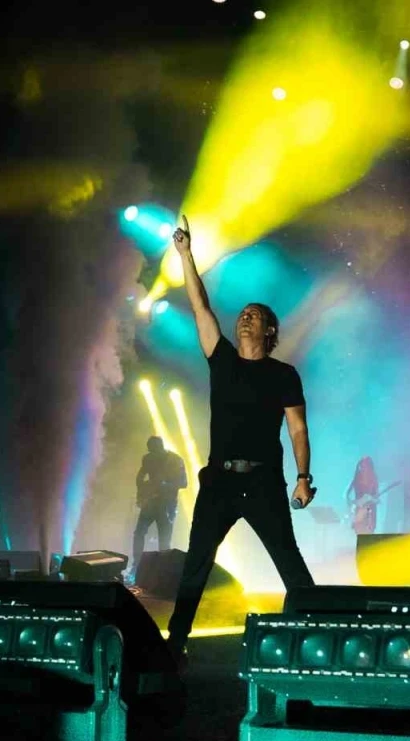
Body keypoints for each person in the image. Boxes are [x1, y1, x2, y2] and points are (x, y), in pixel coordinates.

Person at [165, 216, 316, 669]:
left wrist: (303, 476)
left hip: (264, 481)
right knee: (197, 561)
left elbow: (298, 429)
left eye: (255, 315)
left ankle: (317, 628)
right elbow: (199, 306)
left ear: (269, 331)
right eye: (243, 314)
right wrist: (186, 255)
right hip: (220, 481)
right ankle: (175, 641)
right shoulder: (223, 360)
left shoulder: (284, 374)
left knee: (288, 558)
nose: (246, 317)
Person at [132, 436, 187, 567]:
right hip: (150, 503)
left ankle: (162, 567)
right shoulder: (148, 458)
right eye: (150, 451)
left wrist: (164, 485)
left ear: (161, 447)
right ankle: (136, 564)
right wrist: (141, 494)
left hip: (167, 505)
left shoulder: (175, 460)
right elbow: (140, 477)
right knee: (139, 533)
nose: (152, 453)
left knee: (164, 540)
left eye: (154, 450)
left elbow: (184, 483)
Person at [346, 456, 380, 535]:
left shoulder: (373, 478)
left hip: (370, 510)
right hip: (358, 509)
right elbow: (347, 494)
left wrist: (372, 499)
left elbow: (376, 496)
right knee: (359, 530)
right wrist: (353, 503)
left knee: (368, 532)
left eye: (366, 466)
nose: (363, 468)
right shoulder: (357, 477)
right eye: (362, 466)